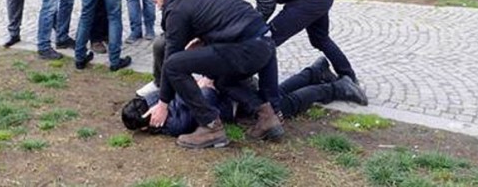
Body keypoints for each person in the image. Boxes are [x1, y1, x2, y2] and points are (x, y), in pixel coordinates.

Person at [200, 0, 367, 105]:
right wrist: (216, 25)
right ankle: (344, 77)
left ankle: (253, 91)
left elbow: (266, 5)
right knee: (319, 39)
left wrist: (243, 32)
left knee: (267, 40)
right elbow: (231, 3)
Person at [144, 0, 283, 149]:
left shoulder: (176, 7)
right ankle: (266, 116)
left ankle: (210, 126)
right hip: (264, 42)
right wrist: (203, 39)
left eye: (156, 2)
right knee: (221, 80)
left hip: (246, 50)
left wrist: (162, 104)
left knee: (173, 66)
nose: (158, 7)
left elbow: (172, 57)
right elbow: (220, 19)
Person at [124, 57, 366, 137]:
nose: (148, 102)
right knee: (279, 99)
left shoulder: (155, 103)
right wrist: (204, 87)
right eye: (143, 106)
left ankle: (329, 84)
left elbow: (172, 86)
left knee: (282, 101)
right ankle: (318, 74)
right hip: (229, 103)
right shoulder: (173, 124)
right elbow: (204, 108)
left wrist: (196, 84)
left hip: (230, 95)